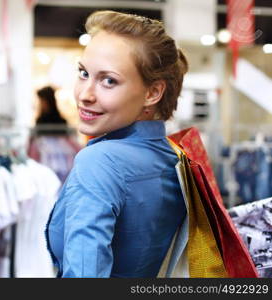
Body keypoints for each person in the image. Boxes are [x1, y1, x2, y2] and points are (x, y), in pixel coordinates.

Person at [45, 10, 189, 277]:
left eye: (109, 80)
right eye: (83, 73)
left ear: (152, 92)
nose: (85, 95)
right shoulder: (175, 156)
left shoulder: (100, 162)